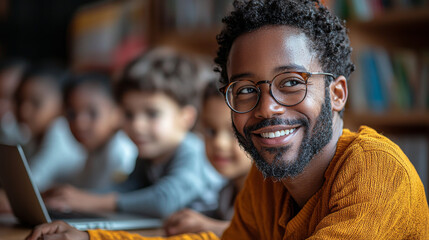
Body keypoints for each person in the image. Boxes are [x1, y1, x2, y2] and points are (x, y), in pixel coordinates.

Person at [26, 0, 429, 239]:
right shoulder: (269, 177)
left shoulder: (376, 171)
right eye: (246, 89)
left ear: (337, 93)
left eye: (291, 82)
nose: (267, 108)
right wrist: (89, 238)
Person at [38, 47, 224, 217]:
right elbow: (126, 189)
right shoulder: (147, 155)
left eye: (152, 114)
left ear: (186, 118)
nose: (137, 125)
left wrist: (90, 201)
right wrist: (72, 198)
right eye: (128, 114)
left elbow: (164, 201)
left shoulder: (193, 151)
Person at [164, 80, 252, 237]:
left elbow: (261, 234)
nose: (218, 143)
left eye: (234, 133)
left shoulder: (269, 196)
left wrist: (208, 226)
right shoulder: (227, 192)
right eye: (211, 131)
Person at [42, 73, 137, 209]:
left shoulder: (122, 152)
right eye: (72, 114)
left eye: (92, 113)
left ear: (116, 114)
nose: (80, 123)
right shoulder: (92, 153)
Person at [13, 64, 86, 192]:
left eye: (36, 102)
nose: (24, 111)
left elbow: (29, 186)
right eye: (20, 101)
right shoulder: (34, 135)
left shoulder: (59, 130)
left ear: (63, 105)